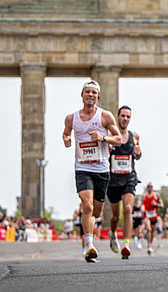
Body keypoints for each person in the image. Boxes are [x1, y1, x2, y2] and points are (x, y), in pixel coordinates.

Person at [62, 80, 122, 262]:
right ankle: (89, 245)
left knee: (96, 213)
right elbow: (66, 133)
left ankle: (90, 236)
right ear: (82, 95)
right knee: (86, 206)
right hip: (82, 167)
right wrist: (66, 139)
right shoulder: (72, 118)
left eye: (94, 93)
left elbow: (118, 139)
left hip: (101, 169)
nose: (90, 95)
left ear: (98, 96)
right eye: (87, 92)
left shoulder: (105, 116)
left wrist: (103, 138)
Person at [106, 105, 141, 259]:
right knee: (115, 217)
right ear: (117, 117)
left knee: (127, 209)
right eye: (123, 116)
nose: (125, 119)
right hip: (113, 179)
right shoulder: (109, 135)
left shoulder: (135, 136)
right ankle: (113, 233)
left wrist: (138, 154)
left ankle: (126, 244)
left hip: (129, 178)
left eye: (128, 116)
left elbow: (138, 155)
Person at [142, 183, 162, 255]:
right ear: (147, 188)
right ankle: (149, 245)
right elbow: (142, 205)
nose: (150, 188)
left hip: (154, 215)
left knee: (152, 231)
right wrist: (143, 208)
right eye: (148, 187)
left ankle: (150, 243)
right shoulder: (144, 196)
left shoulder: (156, 195)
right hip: (147, 215)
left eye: (151, 187)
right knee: (148, 229)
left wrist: (156, 204)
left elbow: (161, 205)